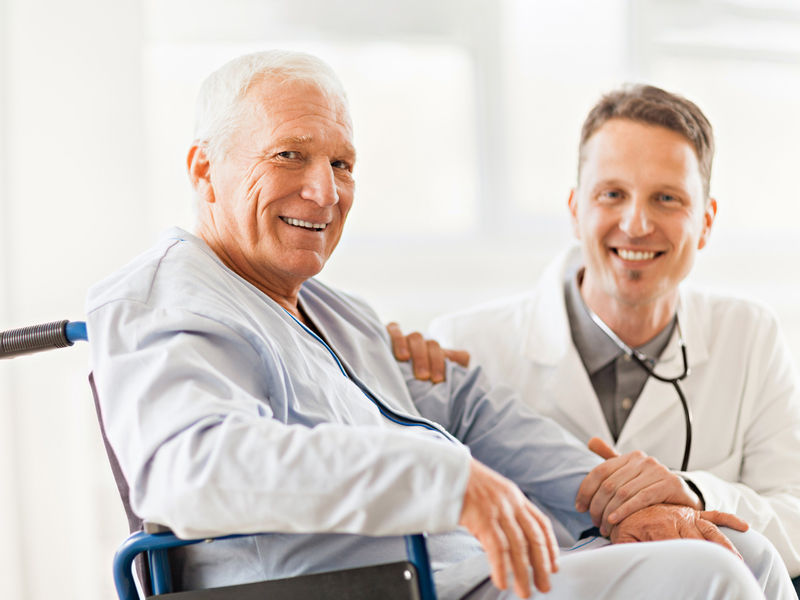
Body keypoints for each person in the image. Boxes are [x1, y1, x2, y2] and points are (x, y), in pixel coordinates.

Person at [86, 52, 792, 599]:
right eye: (289, 154)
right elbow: (192, 469)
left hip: (456, 570)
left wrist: (605, 496)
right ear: (204, 169)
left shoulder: (331, 310)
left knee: (745, 553)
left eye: (341, 163)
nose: (324, 191)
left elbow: (467, 404)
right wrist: (443, 477)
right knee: (710, 580)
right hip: (357, 588)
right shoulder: (165, 298)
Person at [391, 84, 800, 581]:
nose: (636, 222)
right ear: (575, 209)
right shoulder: (465, 344)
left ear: (707, 222)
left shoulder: (749, 336)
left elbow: (795, 516)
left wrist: (692, 493)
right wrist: (385, 372)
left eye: (667, 198)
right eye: (612, 194)